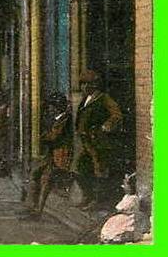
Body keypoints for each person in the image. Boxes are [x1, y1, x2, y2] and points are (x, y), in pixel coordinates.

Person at [73, 71, 123, 209]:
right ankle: (88, 197)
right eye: (82, 84)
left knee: (98, 170)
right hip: (87, 141)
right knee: (80, 170)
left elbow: (116, 115)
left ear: (93, 85)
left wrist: (106, 126)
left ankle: (97, 201)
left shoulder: (103, 98)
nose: (83, 87)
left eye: (85, 84)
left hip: (98, 142)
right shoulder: (85, 99)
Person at [21, 92, 74, 220]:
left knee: (45, 180)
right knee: (37, 175)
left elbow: (54, 136)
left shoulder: (64, 119)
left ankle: (37, 211)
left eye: (52, 106)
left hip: (59, 154)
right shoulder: (58, 118)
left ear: (57, 107)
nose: (49, 108)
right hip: (52, 153)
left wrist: (44, 137)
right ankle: (33, 208)